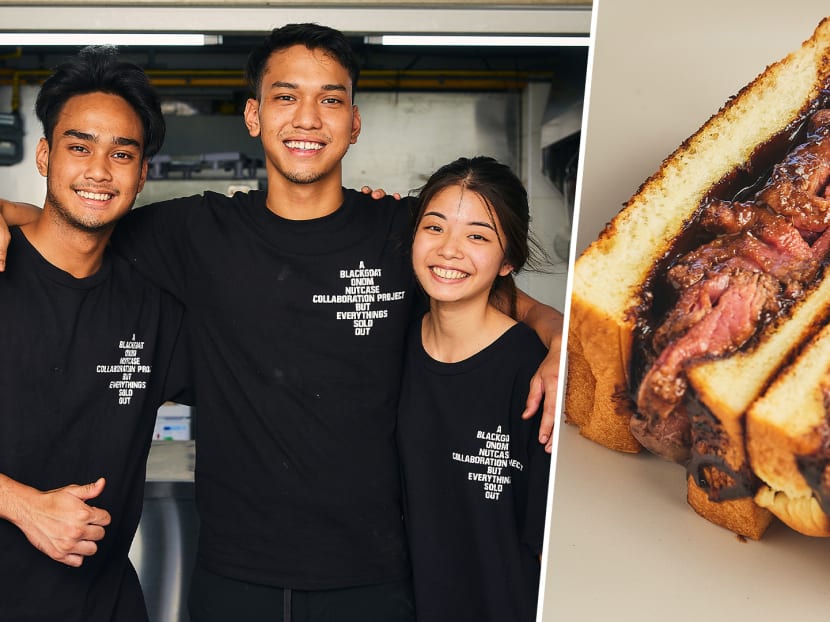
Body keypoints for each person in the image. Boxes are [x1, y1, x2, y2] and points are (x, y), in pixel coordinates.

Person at [0, 24, 562, 620]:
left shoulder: (400, 232)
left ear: (354, 122)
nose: (307, 119)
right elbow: (81, 218)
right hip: (234, 579)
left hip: (374, 578)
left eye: (330, 100)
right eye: (286, 96)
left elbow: (482, 284)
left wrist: (555, 335)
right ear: (254, 115)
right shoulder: (195, 233)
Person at [0, 47, 187, 621]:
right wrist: (22, 505)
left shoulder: (156, 307)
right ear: (45, 155)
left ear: (142, 173)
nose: (100, 171)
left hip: (103, 605)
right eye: (79, 146)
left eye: (122, 153)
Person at [397, 156, 550, 622]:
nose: (449, 250)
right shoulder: (391, 345)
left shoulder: (535, 373)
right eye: (434, 227)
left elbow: (546, 546)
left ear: (508, 261)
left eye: (477, 236)